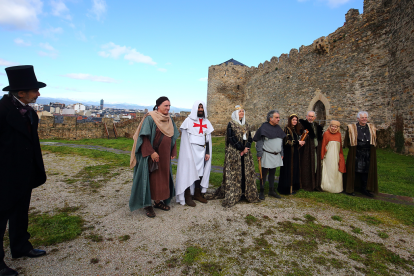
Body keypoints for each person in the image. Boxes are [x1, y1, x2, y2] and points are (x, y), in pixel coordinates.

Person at [0, 65, 48, 276]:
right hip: (5, 175)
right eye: (34, 90)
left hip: (24, 172)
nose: (38, 93)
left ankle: (20, 246)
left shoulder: (28, 112)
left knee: (21, 213)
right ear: (21, 93)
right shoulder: (2, 112)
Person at [129, 96, 180, 217]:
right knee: (150, 179)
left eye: (169, 106)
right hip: (152, 156)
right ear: (158, 106)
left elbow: (172, 135)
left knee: (162, 179)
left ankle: (158, 202)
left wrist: (173, 151)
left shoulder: (169, 119)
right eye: (165, 106)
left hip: (165, 156)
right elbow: (144, 137)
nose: (168, 108)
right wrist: (151, 152)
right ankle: (147, 205)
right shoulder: (150, 118)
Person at [205, 105, 260, 207]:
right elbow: (231, 138)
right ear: (236, 114)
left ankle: (245, 192)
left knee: (245, 172)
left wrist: (247, 148)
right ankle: (235, 194)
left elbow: (250, 138)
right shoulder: (231, 124)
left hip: (246, 154)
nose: (242, 113)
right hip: (234, 152)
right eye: (240, 112)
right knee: (235, 173)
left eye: (243, 112)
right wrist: (241, 148)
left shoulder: (246, 125)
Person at [176, 101, 214, 207]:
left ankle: (197, 194)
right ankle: (187, 196)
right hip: (191, 151)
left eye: (202, 107)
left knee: (200, 172)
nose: (200, 109)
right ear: (195, 109)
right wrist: (187, 154)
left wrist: (207, 152)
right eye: (199, 107)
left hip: (202, 151)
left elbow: (207, 139)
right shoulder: (188, 121)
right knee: (188, 172)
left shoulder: (206, 122)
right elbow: (184, 140)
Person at [343, 111, 378, 197]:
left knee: (366, 171)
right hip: (356, 152)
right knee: (354, 170)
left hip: (367, 152)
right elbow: (347, 141)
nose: (364, 119)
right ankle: (351, 188)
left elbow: (375, 139)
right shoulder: (352, 128)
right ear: (358, 118)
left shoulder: (371, 127)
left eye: (365, 117)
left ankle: (364, 189)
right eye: (362, 118)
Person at [253, 110, 286, 200]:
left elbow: (281, 142)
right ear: (270, 118)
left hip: (276, 154)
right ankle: (262, 191)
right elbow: (259, 142)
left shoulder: (278, 128)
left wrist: (281, 152)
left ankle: (271, 190)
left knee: (273, 173)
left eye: (279, 117)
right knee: (263, 173)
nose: (279, 119)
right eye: (277, 117)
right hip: (266, 154)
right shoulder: (263, 128)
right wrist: (259, 153)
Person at [277, 114, 305, 195]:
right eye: (293, 120)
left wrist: (300, 143)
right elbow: (286, 141)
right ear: (290, 120)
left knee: (294, 169)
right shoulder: (287, 129)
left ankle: (293, 187)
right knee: (288, 170)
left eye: (296, 120)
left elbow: (295, 141)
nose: (295, 121)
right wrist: (297, 142)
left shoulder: (295, 130)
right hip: (288, 153)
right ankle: (286, 189)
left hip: (295, 152)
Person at [299, 111, 323, 191]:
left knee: (315, 166)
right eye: (309, 116)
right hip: (306, 150)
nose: (310, 118)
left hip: (315, 150)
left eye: (312, 116)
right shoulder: (302, 125)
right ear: (306, 116)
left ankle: (315, 184)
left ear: (315, 118)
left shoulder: (317, 126)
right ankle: (306, 184)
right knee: (306, 166)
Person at [320, 120, 346, 193]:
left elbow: (340, 147)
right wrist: (322, 156)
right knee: (329, 171)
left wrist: (341, 156)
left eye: (335, 127)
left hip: (336, 156)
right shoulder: (326, 134)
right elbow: (323, 145)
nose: (333, 128)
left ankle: (336, 188)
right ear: (329, 126)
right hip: (328, 156)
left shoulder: (339, 135)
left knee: (336, 171)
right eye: (332, 126)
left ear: (338, 128)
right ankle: (327, 186)